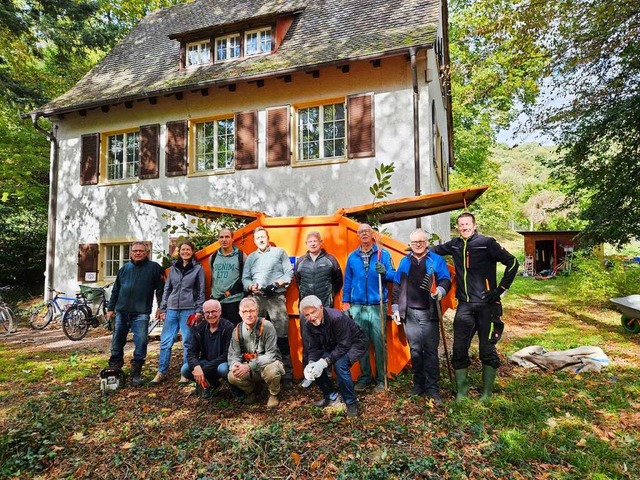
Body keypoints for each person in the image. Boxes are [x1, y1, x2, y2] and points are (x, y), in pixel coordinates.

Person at [431, 212, 519, 401]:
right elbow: (433, 250)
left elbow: (513, 262)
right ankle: (462, 392)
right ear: (457, 227)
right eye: (460, 225)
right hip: (465, 306)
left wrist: (500, 288)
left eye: (467, 224)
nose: (464, 227)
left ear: (474, 224)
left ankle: (486, 394)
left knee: (486, 349)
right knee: (459, 348)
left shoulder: (487, 243)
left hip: (488, 305)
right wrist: (414, 246)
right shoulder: (454, 244)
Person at [392, 229, 451, 404]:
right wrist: (396, 308)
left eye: (421, 241)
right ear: (410, 244)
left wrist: (440, 291)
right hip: (409, 313)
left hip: (429, 313)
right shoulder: (404, 261)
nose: (418, 244)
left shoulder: (436, 260)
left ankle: (432, 388)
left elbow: (445, 279)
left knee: (430, 351)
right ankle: (418, 384)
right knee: (416, 350)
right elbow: (397, 285)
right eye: (414, 242)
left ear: (426, 243)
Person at [342, 223, 396, 393]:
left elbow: (394, 275)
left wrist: (384, 272)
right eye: (361, 232)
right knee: (361, 343)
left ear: (371, 234)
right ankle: (365, 377)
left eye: (366, 231)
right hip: (357, 306)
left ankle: (381, 379)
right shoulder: (352, 257)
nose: (364, 234)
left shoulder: (382, 254)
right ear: (358, 236)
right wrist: (346, 303)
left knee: (379, 343)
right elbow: (348, 281)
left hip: (376, 305)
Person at [107, 241, 164, 386]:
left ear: (146, 253)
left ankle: (136, 374)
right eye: (135, 251)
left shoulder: (154, 268)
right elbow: (116, 290)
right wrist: (110, 309)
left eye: (140, 251)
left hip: (141, 313)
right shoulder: (124, 269)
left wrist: (161, 307)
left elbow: (161, 290)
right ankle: (114, 370)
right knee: (117, 341)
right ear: (131, 253)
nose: (137, 253)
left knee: (141, 342)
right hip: (121, 312)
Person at [242, 227, 294, 386]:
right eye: (257, 238)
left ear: (267, 237)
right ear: (254, 240)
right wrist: (251, 286)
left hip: (276, 298)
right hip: (258, 299)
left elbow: (289, 273)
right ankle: (261, 374)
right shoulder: (251, 258)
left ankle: (287, 375)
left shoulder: (279, 253)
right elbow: (245, 279)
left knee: (281, 336)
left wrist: (277, 283)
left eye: (263, 237)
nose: (261, 240)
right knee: (258, 337)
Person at [300, 295, 367, 417]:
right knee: (314, 367)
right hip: (332, 345)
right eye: (307, 315)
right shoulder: (309, 324)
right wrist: (311, 362)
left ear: (320, 308)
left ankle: (351, 403)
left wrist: (325, 361)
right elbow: (314, 348)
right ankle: (330, 396)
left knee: (340, 364)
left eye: (313, 312)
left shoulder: (336, 317)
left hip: (354, 343)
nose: (311, 317)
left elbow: (344, 345)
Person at [152, 239, 205, 385]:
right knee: (166, 341)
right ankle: (161, 372)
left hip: (189, 309)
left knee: (188, 342)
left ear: (192, 252)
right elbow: (167, 289)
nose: (185, 252)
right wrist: (163, 308)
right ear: (179, 252)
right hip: (172, 309)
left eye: (188, 249)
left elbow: (201, 291)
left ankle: (185, 372)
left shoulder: (198, 269)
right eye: (183, 250)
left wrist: (199, 310)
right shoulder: (173, 268)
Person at [294, 231, 343, 370]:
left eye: (316, 241)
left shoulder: (330, 260)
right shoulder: (300, 261)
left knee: (326, 340)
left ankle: (326, 372)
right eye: (310, 241)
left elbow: (338, 280)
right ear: (306, 244)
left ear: (321, 242)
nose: (313, 243)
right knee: (307, 339)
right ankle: (308, 372)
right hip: (305, 310)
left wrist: (329, 295)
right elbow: (298, 281)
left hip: (325, 307)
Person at [227, 297, 285, 408]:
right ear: (240, 313)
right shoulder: (237, 330)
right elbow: (233, 354)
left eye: (252, 311)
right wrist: (235, 365)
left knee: (272, 371)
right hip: (249, 368)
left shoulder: (267, 326)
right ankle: (251, 391)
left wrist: (249, 366)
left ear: (257, 312)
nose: (249, 314)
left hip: (267, 365)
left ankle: (273, 394)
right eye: (245, 311)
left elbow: (271, 355)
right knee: (232, 376)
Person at [182, 299, 234, 398]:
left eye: (214, 311)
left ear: (220, 311)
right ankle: (212, 384)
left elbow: (227, 354)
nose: (210, 315)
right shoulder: (199, 328)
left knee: (223, 369)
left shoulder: (228, 327)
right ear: (203, 314)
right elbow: (191, 352)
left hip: (223, 363)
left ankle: (236, 390)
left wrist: (203, 370)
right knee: (185, 369)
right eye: (207, 312)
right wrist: (197, 367)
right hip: (206, 361)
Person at [210, 228, 246, 326]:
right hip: (217, 301)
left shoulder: (241, 256)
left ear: (232, 239)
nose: (224, 240)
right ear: (218, 239)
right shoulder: (213, 257)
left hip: (234, 301)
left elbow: (245, 278)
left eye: (227, 237)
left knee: (234, 332)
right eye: (221, 237)